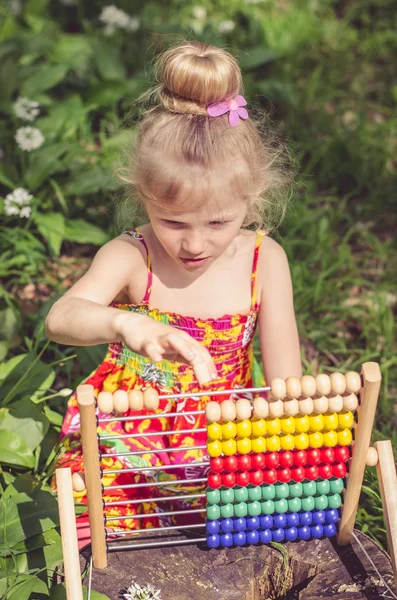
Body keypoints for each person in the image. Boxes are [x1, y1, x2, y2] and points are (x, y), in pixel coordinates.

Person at [46, 40, 301, 543]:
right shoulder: (132, 255)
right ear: (143, 196)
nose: (194, 242)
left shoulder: (263, 261)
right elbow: (61, 318)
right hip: (128, 442)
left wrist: (276, 447)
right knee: (91, 526)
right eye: (173, 221)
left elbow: (285, 384)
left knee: (247, 531)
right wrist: (125, 323)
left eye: (218, 222)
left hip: (221, 437)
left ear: (252, 201)